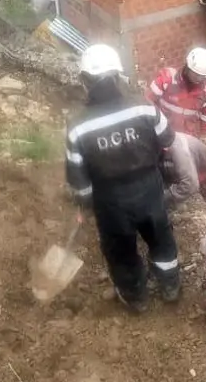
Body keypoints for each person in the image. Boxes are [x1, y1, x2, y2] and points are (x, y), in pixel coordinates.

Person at [66, 44, 180, 313]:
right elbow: (168, 138)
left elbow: (78, 180)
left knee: (120, 249)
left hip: (110, 200)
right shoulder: (143, 108)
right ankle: (170, 285)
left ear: (85, 80)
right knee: (161, 238)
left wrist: (84, 204)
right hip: (150, 189)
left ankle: (135, 295)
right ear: (118, 76)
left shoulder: (78, 126)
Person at [148, 47, 206, 210]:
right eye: (195, 74)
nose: (197, 79)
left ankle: (172, 200)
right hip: (162, 133)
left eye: (201, 76)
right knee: (161, 166)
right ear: (187, 67)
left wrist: (204, 134)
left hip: (185, 137)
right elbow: (147, 103)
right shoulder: (167, 79)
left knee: (184, 171)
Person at [160, 131, 206, 211]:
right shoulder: (161, 142)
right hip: (189, 167)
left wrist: (165, 197)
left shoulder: (179, 150)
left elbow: (191, 184)